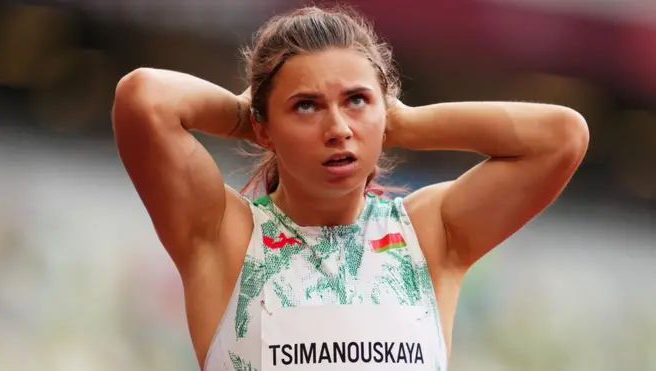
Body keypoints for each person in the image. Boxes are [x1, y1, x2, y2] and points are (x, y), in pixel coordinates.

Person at [111, 5, 589, 371]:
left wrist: (403, 121)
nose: (338, 127)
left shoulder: (429, 235)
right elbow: (145, 99)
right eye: (305, 106)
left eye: (357, 100)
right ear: (265, 129)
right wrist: (252, 118)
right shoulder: (225, 237)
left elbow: (562, 136)